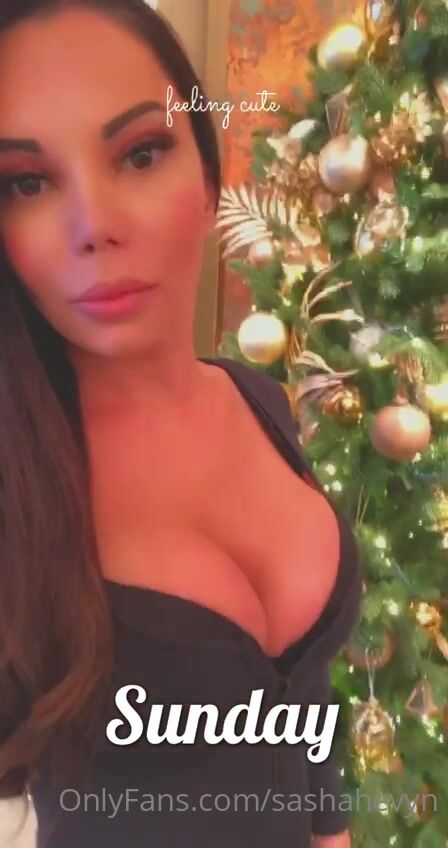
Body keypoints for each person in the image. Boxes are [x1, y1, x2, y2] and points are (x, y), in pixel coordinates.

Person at [0, 2, 363, 846]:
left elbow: (307, 703)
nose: (96, 226)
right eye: (26, 181)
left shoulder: (261, 402)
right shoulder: (15, 488)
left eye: (140, 153)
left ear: (206, 178)